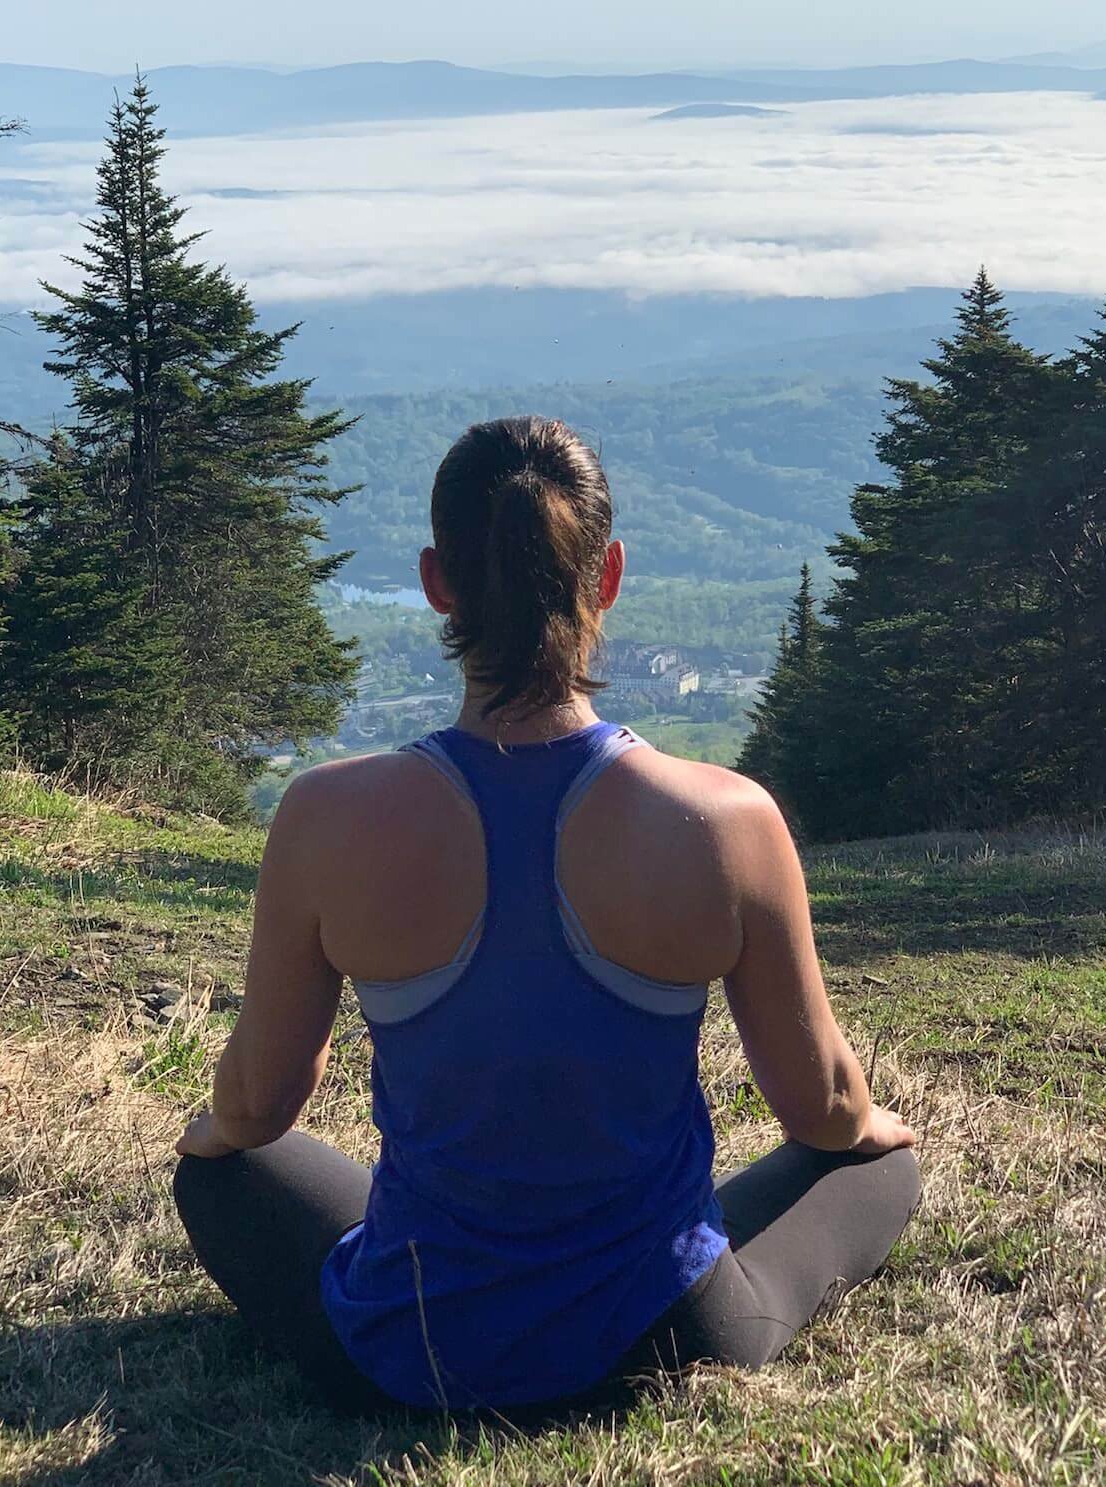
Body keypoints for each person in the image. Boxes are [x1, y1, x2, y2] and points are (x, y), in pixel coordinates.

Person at [173, 416, 920, 1416]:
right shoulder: (727, 820)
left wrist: (213, 1124)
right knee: (880, 1163)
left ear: (438, 583)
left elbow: (258, 1106)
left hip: (414, 1340)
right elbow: (821, 1106)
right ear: (605, 573)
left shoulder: (323, 816)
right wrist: (865, 1124)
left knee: (219, 1172)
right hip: (665, 1337)